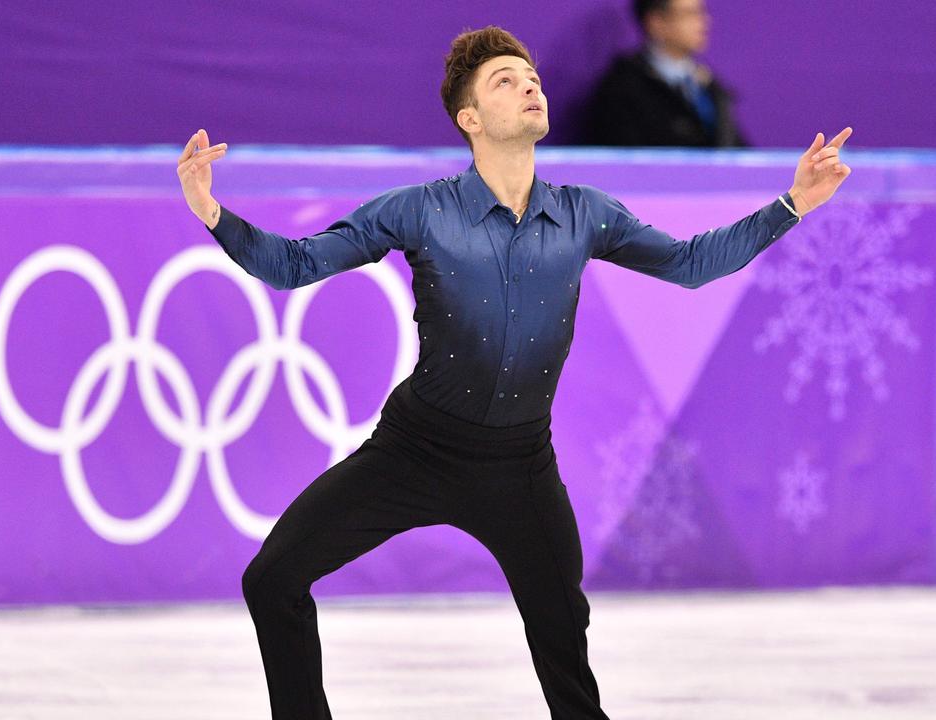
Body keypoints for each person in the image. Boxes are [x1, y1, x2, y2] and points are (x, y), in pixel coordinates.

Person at [175, 24, 851, 720]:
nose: (529, 84)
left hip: (519, 468)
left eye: (531, 76)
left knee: (564, 641)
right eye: (505, 81)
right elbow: (293, 265)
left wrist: (791, 204)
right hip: (413, 452)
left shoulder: (585, 214)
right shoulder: (420, 210)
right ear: (470, 119)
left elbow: (689, 264)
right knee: (273, 579)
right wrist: (214, 214)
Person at [584, 0, 746, 147]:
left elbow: (737, 152)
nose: (704, 22)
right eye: (690, 14)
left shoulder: (710, 87)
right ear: (656, 23)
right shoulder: (622, 90)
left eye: (702, 12)